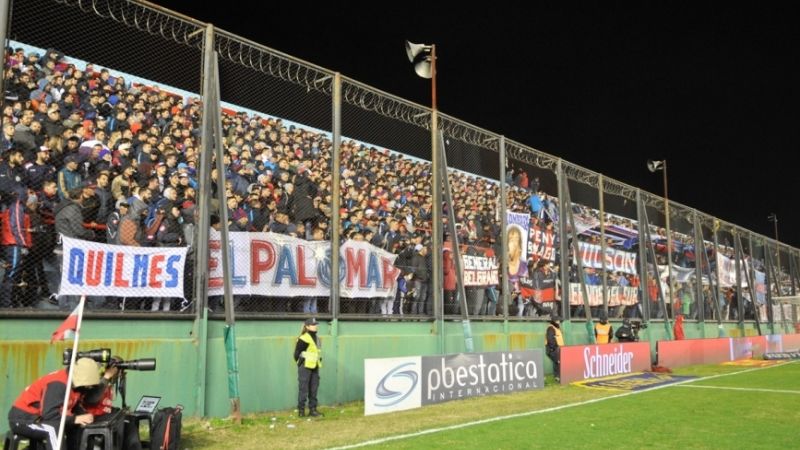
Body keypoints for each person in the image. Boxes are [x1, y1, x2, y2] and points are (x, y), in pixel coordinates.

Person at [7, 357, 101, 450]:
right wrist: (74, 419)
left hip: (40, 418)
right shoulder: (58, 384)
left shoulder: (74, 385)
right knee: (52, 429)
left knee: (74, 427)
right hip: (23, 420)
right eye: (89, 384)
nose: (90, 387)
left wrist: (83, 415)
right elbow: (49, 415)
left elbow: (73, 404)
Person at [294, 318, 323, 418]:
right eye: (313, 324)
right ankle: (301, 411)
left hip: (315, 366)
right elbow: (296, 354)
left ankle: (313, 410)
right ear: (307, 326)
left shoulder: (318, 338)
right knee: (303, 389)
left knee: (314, 389)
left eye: (316, 324)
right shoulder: (303, 338)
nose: (315, 326)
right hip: (305, 367)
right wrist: (300, 363)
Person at [545, 314, 564, 382]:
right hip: (554, 348)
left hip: (557, 348)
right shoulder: (551, 328)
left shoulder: (556, 328)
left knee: (557, 362)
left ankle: (558, 377)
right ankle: (558, 377)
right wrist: (553, 348)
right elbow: (550, 339)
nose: (559, 322)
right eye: (558, 320)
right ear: (554, 321)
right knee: (558, 362)